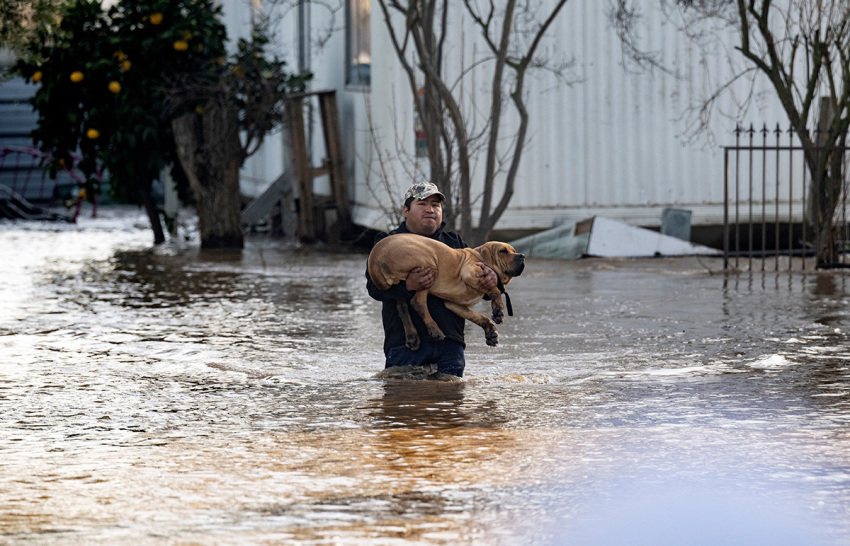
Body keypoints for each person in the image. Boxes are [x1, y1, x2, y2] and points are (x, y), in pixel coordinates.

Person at [366, 182, 497, 378]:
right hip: (405, 347)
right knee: (404, 406)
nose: (430, 210)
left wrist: (492, 280)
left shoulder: (455, 243)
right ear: (405, 210)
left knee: (449, 407)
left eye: (435, 205)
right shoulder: (389, 242)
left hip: (450, 346)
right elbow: (373, 288)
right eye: (422, 204)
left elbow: (477, 287)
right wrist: (407, 286)